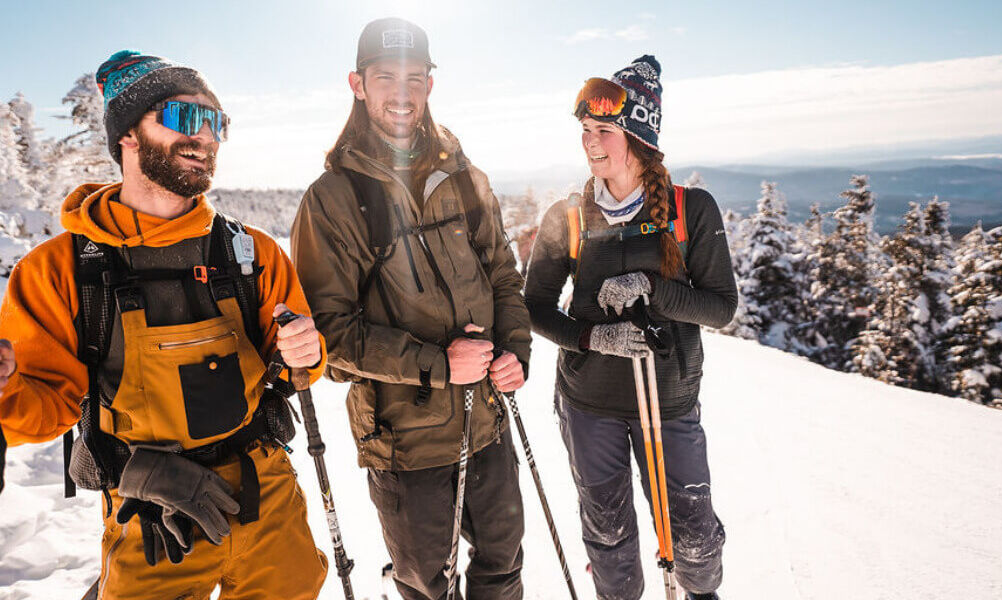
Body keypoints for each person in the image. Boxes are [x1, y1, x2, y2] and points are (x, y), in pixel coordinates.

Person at [0, 51, 329, 600]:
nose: (205, 136)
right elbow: (41, 407)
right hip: (151, 510)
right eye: (183, 118)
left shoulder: (251, 252)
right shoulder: (61, 270)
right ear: (127, 135)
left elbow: (293, 373)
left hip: (268, 494)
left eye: (216, 122)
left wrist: (305, 352)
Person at [291, 17, 532, 600]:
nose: (402, 94)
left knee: (503, 563)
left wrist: (515, 350)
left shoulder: (465, 176)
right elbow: (329, 340)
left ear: (430, 84)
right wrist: (438, 364)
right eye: (385, 77)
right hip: (405, 441)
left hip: (488, 420)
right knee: (428, 583)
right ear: (357, 83)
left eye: (415, 78)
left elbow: (502, 273)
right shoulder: (334, 200)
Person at [523, 55, 736, 600]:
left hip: (669, 400)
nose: (592, 143)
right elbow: (536, 307)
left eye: (605, 131)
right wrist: (593, 337)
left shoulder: (691, 211)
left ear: (638, 138)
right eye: (586, 131)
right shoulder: (566, 217)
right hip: (589, 401)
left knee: (693, 538)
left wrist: (652, 286)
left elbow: (720, 307)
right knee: (609, 536)